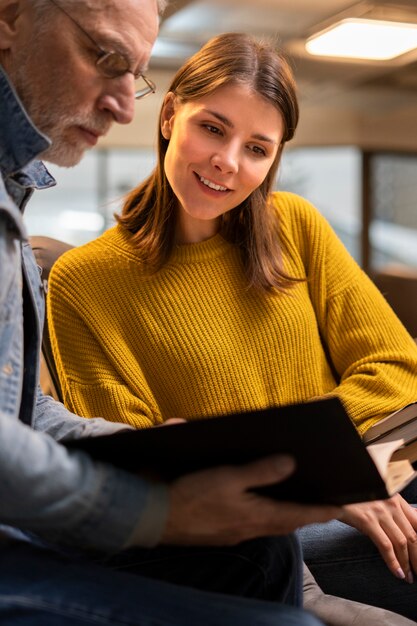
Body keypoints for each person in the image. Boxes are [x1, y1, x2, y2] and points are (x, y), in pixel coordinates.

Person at [46, 31, 417, 621]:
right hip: (256, 531)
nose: (228, 161)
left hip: (363, 477)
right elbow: (145, 465)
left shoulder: (294, 224)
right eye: (213, 128)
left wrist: (342, 472)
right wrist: (316, 477)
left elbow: (396, 366)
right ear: (170, 116)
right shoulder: (82, 282)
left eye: (257, 148)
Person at [0, 1, 348, 624]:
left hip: (318, 485)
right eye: (105, 57)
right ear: (9, 18)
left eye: (131, 73)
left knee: (268, 548)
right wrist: (150, 503)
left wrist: (156, 446)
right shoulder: (81, 275)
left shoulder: (15, 192)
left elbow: (20, 415)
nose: (121, 105)